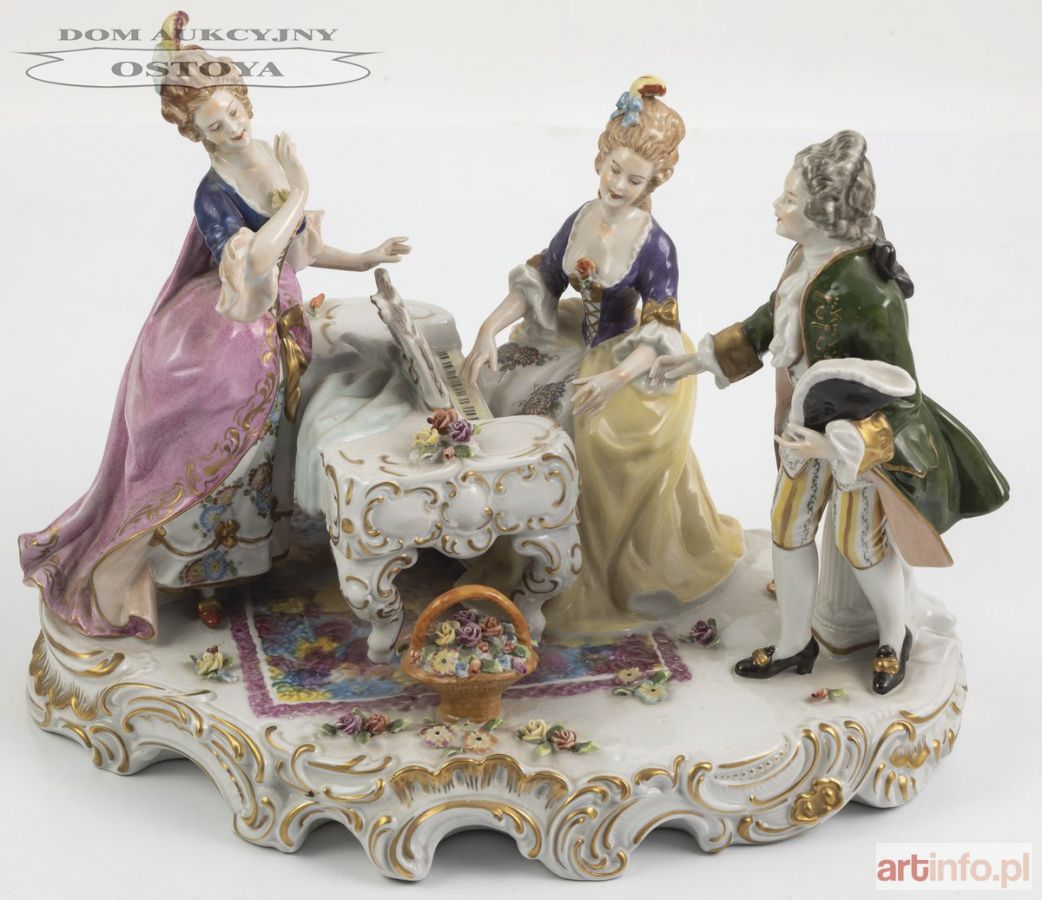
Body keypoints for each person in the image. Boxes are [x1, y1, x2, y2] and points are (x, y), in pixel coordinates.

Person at [18, 12, 410, 637]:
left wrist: (362, 258)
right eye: (214, 126)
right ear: (196, 136)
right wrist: (299, 191)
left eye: (232, 112)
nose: (231, 128)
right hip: (237, 326)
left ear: (243, 99)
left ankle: (269, 550)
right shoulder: (214, 193)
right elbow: (256, 260)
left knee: (272, 446)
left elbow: (294, 252)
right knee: (229, 453)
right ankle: (202, 574)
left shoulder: (270, 156)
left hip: (281, 322)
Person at [650, 130, 1009, 693]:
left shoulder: (870, 292)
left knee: (860, 547)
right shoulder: (803, 257)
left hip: (855, 442)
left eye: (790, 198)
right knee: (788, 533)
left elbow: (903, 396)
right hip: (802, 427)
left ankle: (892, 638)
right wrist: (697, 361)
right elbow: (771, 319)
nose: (776, 204)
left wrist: (837, 444)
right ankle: (795, 643)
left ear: (825, 213)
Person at [461, 76, 743, 642]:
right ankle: (487, 531)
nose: (619, 185)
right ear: (601, 160)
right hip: (568, 341)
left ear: (654, 182)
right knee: (496, 388)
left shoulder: (655, 244)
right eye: (614, 171)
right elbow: (542, 280)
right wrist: (488, 328)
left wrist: (615, 378)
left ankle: (564, 567)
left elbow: (662, 330)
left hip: (626, 359)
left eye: (634, 180)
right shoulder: (581, 218)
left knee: (581, 432)